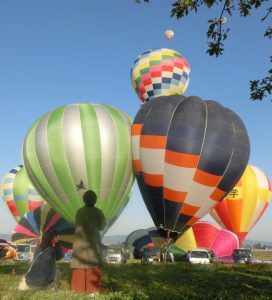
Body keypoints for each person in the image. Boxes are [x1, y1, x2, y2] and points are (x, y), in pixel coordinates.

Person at [70, 190, 106, 294]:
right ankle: (93, 291)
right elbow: (102, 226)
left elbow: (76, 223)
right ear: (95, 200)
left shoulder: (79, 211)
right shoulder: (98, 211)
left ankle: (77, 290)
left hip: (79, 242)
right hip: (93, 242)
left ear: (83, 200)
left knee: (79, 266)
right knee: (93, 265)